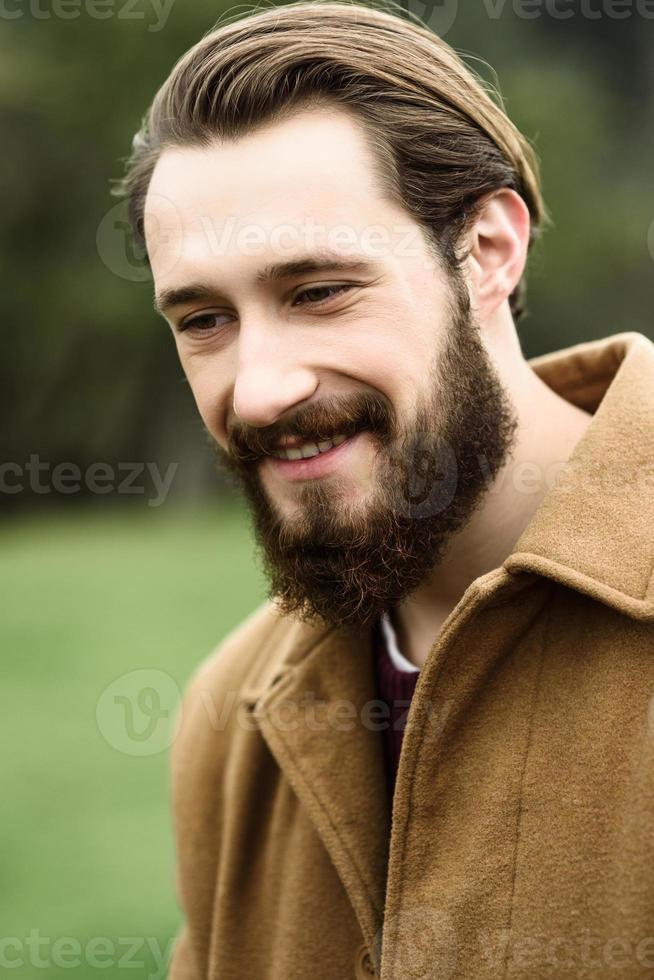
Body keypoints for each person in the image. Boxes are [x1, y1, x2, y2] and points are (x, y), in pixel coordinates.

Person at [114, 2, 654, 977]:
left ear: (489, 249)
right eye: (203, 318)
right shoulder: (230, 712)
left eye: (318, 290)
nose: (261, 386)